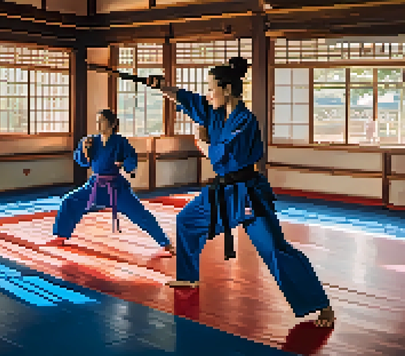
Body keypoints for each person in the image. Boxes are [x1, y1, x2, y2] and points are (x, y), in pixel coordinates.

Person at [147, 57, 335, 328]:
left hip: (248, 194)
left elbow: (222, 156)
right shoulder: (213, 112)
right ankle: (189, 276)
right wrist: (163, 87)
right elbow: (187, 99)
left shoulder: (245, 121)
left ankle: (321, 306)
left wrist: (202, 143)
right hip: (222, 192)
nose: (208, 94)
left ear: (227, 89)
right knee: (187, 221)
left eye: (211, 88)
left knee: (275, 249)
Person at [43, 109, 175, 259]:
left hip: (116, 187)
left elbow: (130, 159)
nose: (98, 124)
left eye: (102, 121)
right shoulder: (91, 141)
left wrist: (125, 164)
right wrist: (85, 150)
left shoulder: (120, 142)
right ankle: (61, 236)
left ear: (112, 124)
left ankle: (165, 243)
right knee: (69, 201)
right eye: (97, 121)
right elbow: (82, 162)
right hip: (95, 186)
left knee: (139, 213)